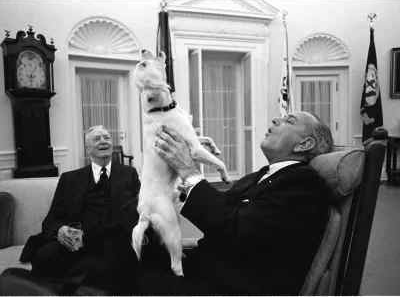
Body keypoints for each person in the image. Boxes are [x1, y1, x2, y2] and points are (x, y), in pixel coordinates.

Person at [125, 110, 334, 296]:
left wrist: (188, 170)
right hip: (206, 268)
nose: (275, 120)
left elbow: (237, 230)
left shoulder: (304, 184)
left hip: (230, 287)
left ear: (304, 144)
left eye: (289, 121)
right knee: (126, 233)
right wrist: (175, 192)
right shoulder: (258, 176)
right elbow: (222, 209)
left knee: (121, 277)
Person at [19, 125, 141, 294]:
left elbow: (142, 206)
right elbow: (52, 218)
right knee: (45, 256)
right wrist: (60, 229)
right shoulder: (70, 179)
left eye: (106, 138)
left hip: (114, 238)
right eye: (96, 139)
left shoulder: (129, 173)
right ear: (88, 149)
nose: (103, 141)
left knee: (117, 260)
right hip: (76, 240)